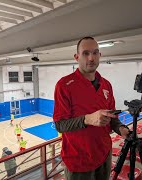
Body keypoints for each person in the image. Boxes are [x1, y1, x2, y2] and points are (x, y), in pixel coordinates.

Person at [53, 36, 130, 180]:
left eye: (95, 53)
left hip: (104, 155)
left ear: (100, 56)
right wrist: (87, 119)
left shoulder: (106, 85)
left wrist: (121, 129)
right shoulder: (64, 85)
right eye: (86, 53)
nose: (91, 58)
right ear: (77, 57)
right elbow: (60, 125)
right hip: (78, 161)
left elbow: (112, 118)